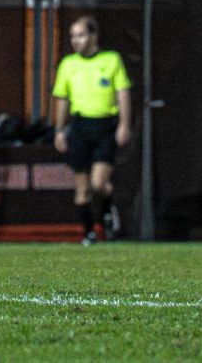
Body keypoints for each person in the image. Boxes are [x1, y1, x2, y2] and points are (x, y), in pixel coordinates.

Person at [52, 15, 132, 244]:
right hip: (80, 126)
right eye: (72, 36)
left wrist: (124, 124)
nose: (75, 40)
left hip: (106, 126)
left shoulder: (111, 60)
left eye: (80, 35)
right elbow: (62, 99)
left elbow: (123, 92)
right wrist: (58, 130)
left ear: (93, 36)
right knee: (82, 187)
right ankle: (88, 232)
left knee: (98, 185)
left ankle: (107, 208)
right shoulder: (68, 64)